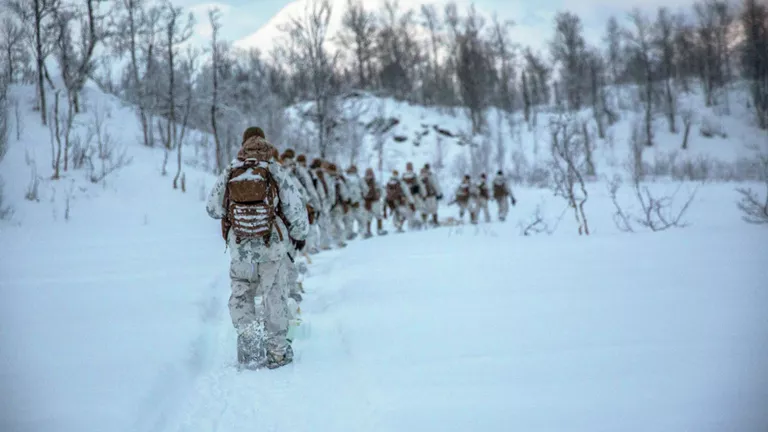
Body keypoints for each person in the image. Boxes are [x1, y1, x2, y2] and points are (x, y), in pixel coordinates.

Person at [206, 127, 309, 369]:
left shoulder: (232, 169)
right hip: (270, 247)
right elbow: (296, 209)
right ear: (266, 143)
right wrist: (299, 234)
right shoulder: (274, 169)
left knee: (242, 295)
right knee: (275, 297)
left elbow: (212, 208)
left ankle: (251, 348)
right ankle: (277, 353)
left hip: (240, 248)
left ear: (243, 144)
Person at [297, 154, 325, 254]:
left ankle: (305, 249)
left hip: (295, 203)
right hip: (308, 202)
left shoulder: (295, 170)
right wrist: (318, 206)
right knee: (311, 226)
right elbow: (312, 190)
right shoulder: (307, 173)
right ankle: (310, 248)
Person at [311, 158, 335, 251]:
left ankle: (322, 244)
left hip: (322, 202)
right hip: (318, 201)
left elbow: (329, 188)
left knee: (322, 223)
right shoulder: (315, 175)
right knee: (318, 224)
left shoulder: (322, 175)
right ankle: (318, 245)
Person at [325, 162, 349, 248]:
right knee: (332, 223)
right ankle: (336, 240)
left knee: (337, 222)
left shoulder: (335, 180)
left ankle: (340, 241)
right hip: (331, 205)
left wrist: (344, 202)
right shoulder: (334, 180)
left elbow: (344, 193)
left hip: (336, 205)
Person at [344, 165, 368, 240]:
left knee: (357, 219)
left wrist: (361, 196)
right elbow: (365, 189)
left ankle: (359, 233)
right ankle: (353, 234)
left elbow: (365, 189)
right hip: (352, 202)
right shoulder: (347, 179)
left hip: (355, 202)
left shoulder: (357, 179)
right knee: (352, 219)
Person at [362, 168, 387, 238]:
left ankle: (368, 231)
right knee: (376, 216)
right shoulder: (375, 182)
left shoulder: (364, 182)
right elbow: (382, 190)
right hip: (374, 201)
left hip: (368, 202)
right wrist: (382, 196)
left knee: (369, 217)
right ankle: (378, 230)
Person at [401, 162, 425, 230]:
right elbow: (421, 185)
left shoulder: (403, 176)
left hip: (406, 197)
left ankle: (410, 227)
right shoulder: (414, 175)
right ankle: (419, 225)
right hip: (415, 196)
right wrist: (423, 194)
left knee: (409, 212)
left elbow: (401, 187)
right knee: (419, 209)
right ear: (412, 167)